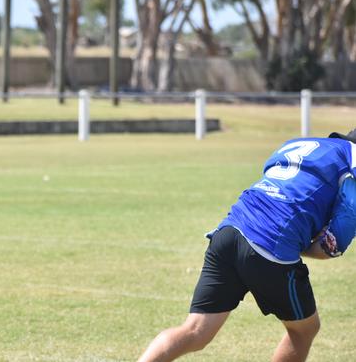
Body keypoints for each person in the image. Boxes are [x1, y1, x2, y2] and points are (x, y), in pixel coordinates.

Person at [138, 131, 356, 362]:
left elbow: (276, 178)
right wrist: (307, 242)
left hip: (230, 230)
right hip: (270, 244)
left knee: (195, 330)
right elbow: (334, 241)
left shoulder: (306, 143)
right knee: (304, 330)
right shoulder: (352, 163)